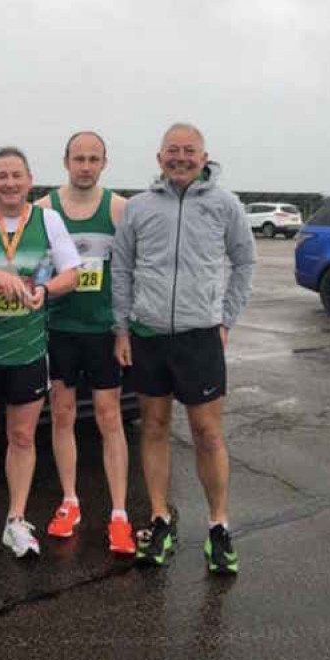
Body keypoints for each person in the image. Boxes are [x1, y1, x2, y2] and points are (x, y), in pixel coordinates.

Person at [111, 123, 256, 574]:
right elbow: (122, 269)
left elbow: (245, 260)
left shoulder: (224, 204)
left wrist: (225, 320)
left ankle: (218, 525)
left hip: (199, 337)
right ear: (159, 158)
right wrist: (122, 329)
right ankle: (159, 518)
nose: (180, 157)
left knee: (207, 434)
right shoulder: (138, 207)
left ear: (204, 156)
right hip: (149, 335)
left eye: (188, 151)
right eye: (172, 151)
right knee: (153, 427)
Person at [0, 147, 80, 559]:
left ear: (29, 181)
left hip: (28, 350)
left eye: (16, 175)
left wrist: (45, 290)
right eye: (1, 176)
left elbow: (72, 274)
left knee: (22, 436)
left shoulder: (49, 220)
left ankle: (16, 521)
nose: (9, 183)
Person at [34, 131, 135, 555]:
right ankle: (70, 501)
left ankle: (119, 514)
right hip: (60, 330)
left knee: (110, 418)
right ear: (66, 161)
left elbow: (132, 271)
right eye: (79, 158)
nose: (86, 166)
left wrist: (123, 329)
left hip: (102, 332)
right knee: (62, 414)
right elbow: (33, 267)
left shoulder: (119, 208)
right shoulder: (43, 209)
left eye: (94, 159)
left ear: (105, 163)